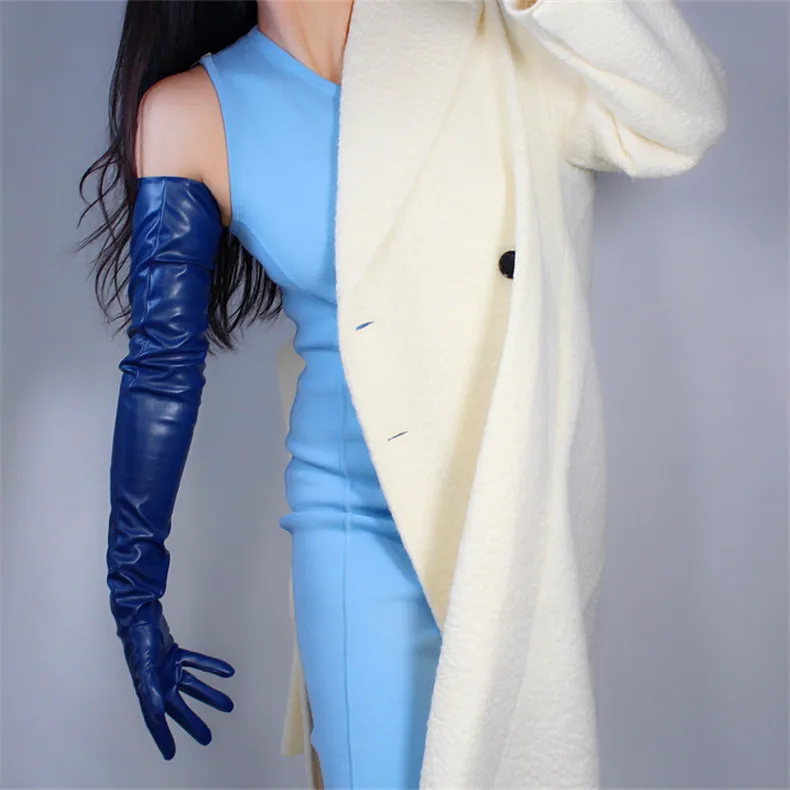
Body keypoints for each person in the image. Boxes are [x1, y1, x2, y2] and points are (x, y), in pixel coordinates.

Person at [76, 0, 729, 787]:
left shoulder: (488, 31)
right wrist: (133, 594)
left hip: (511, 517)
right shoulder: (192, 114)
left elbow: (685, 118)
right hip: (357, 523)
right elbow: (161, 371)